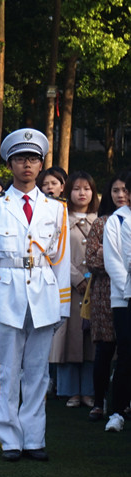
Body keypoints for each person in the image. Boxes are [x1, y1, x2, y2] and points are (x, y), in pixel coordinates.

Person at [0, 128, 70, 461]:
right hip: (7, 292)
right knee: (9, 370)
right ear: (9, 164)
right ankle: (10, 438)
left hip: (44, 294)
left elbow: (61, 260)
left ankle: (34, 438)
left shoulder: (56, 209)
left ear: (41, 164)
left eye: (32, 159)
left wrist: (63, 305)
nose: (27, 165)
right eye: (20, 159)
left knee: (38, 371)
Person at [49, 171, 99, 408]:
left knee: (91, 339)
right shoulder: (60, 220)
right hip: (68, 288)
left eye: (86, 189)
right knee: (68, 336)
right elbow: (55, 253)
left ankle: (89, 390)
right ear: (68, 192)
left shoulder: (100, 220)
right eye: (77, 189)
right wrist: (76, 278)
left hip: (95, 288)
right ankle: (69, 390)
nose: (82, 193)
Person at [85, 174, 128, 422]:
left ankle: (123, 403)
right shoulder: (102, 223)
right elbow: (92, 259)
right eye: (115, 190)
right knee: (105, 348)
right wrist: (113, 258)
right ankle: (99, 401)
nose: (120, 195)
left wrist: (110, 252)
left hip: (126, 291)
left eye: (124, 190)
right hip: (105, 292)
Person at [106, 174, 131, 432]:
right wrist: (127, 290)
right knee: (125, 352)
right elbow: (113, 260)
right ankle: (117, 411)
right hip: (123, 297)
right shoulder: (118, 220)